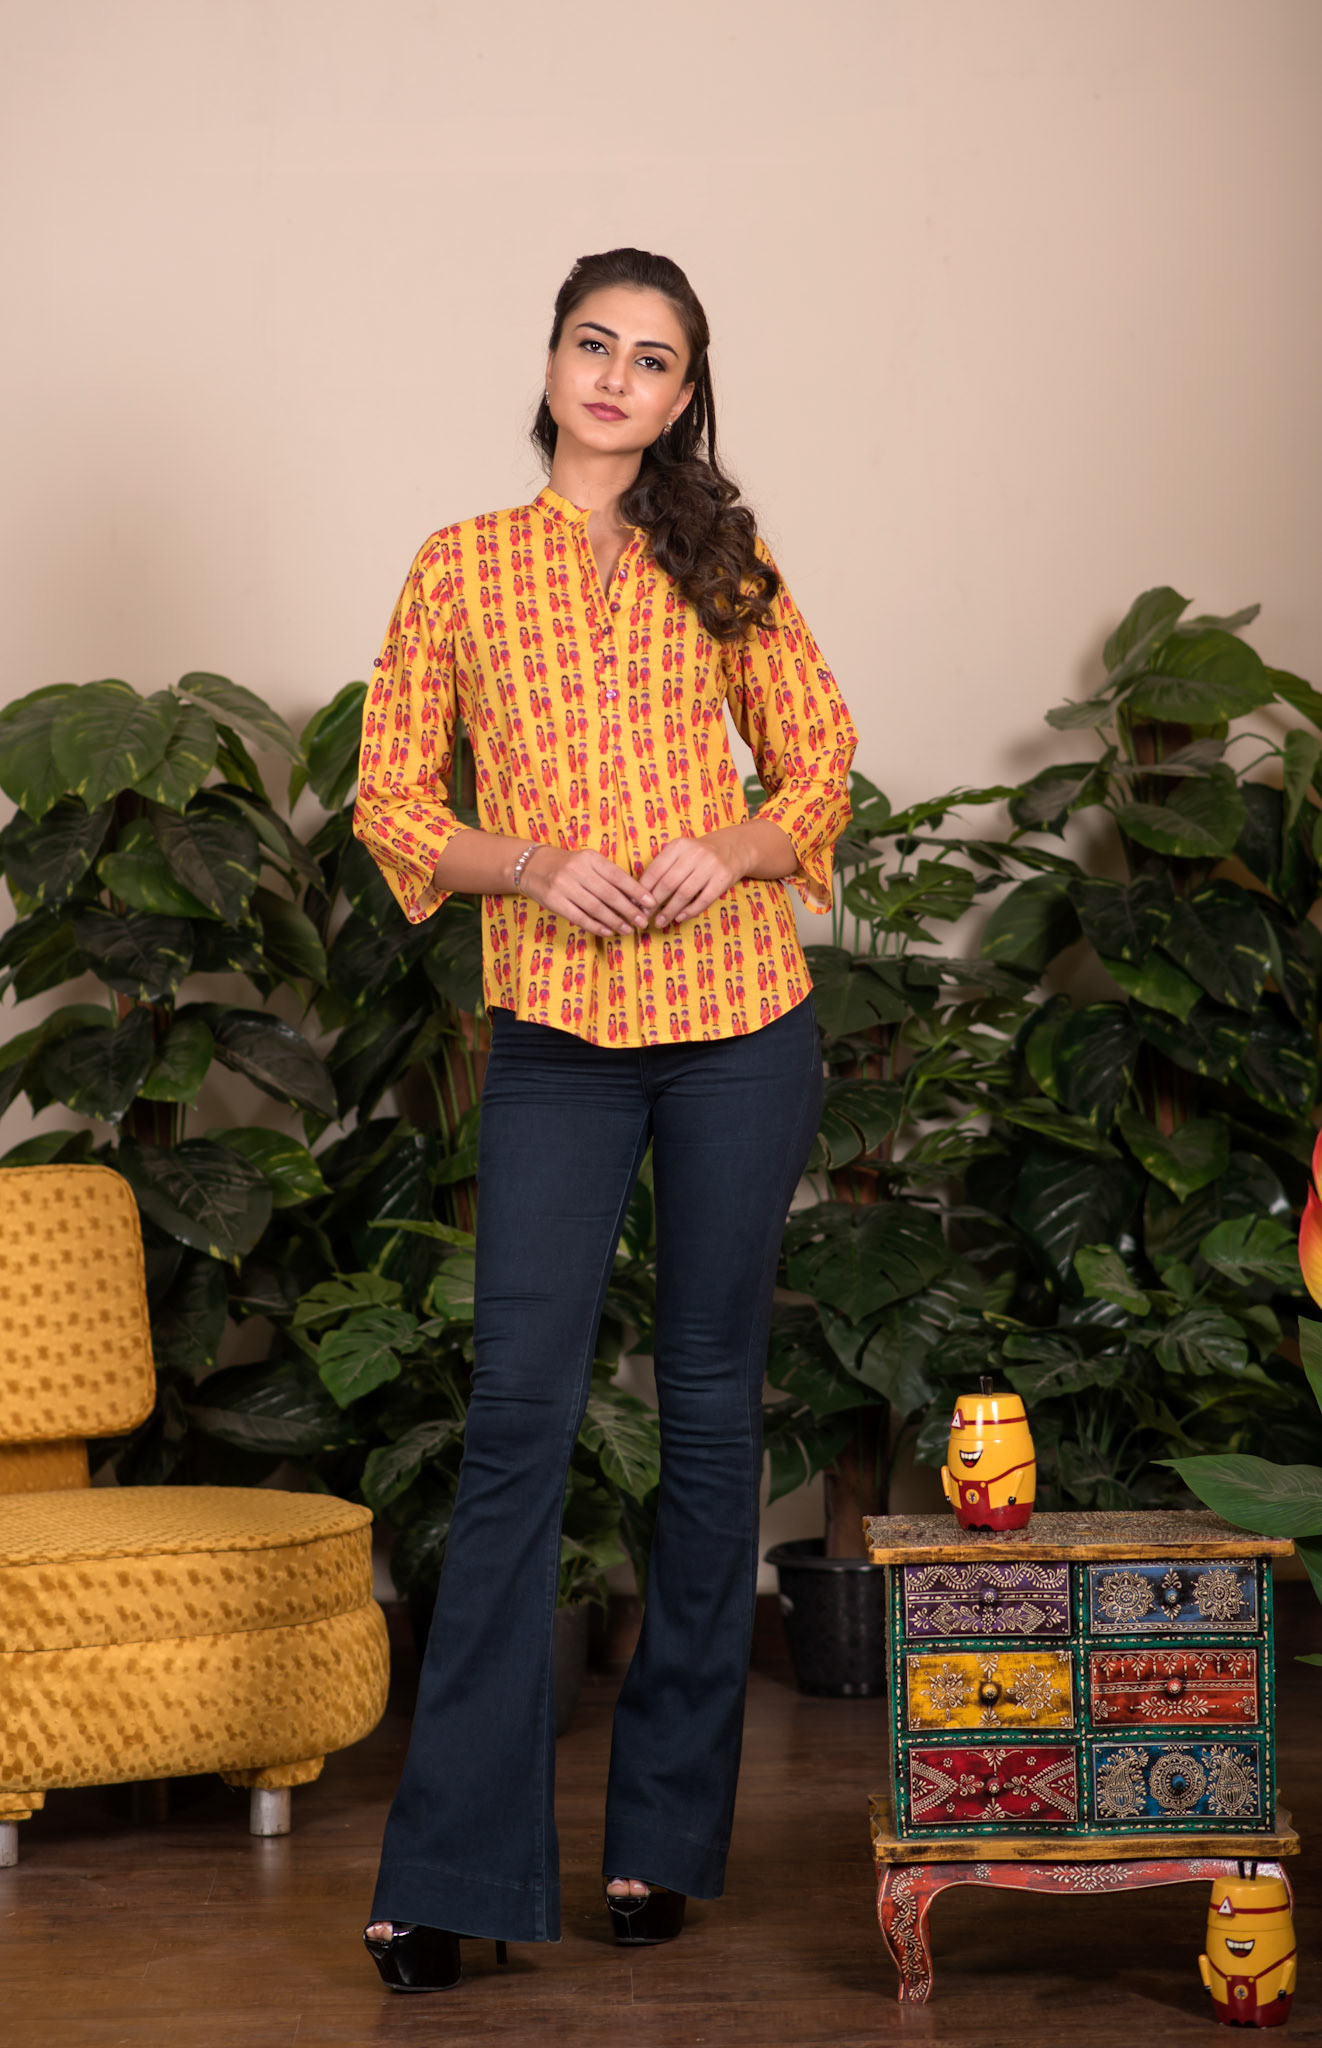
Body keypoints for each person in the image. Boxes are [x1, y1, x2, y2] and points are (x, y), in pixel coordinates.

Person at [353, 246, 858, 1993]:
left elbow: (821, 763)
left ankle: (661, 1842)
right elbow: (391, 798)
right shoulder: (459, 564)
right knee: (520, 1419)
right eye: (595, 344)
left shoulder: (723, 563)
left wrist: (729, 846)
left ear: (681, 394)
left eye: (653, 359)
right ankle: (447, 1873)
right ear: (554, 358)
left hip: (739, 1023)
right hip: (558, 1031)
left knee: (709, 1420)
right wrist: (530, 865)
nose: (617, 378)